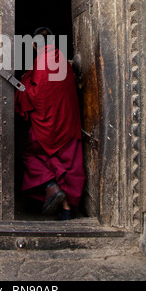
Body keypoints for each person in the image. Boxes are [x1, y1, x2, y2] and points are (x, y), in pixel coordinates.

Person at [15, 27, 85, 220]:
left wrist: (24, 86)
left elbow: (38, 96)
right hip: (67, 123)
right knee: (67, 163)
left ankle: (51, 187)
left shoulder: (42, 61)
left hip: (48, 125)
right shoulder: (61, 59)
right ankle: (66, 210)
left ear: (34, 45)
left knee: (32, 156)